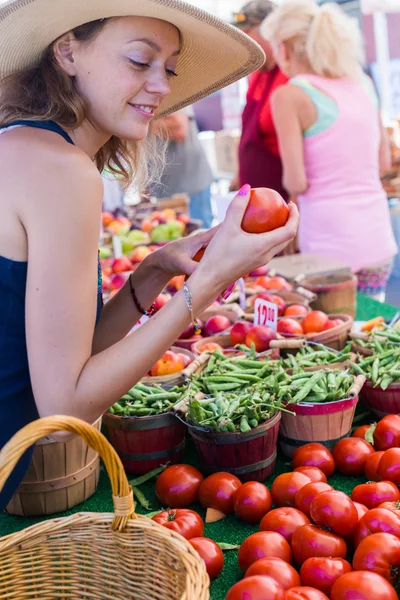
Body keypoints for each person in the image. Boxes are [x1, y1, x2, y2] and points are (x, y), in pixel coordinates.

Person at [0, 0, 298, 510]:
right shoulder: (62, 171)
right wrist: (202, 291)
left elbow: (62, 353)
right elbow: (65, 406)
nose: (162, 87)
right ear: (67, 51)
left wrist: (154, 271)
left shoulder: (21, 146)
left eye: (171, 68)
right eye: (140, 62)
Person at [262, 0, 397, 301]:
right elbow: (383, 161)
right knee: (373, 332)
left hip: (327, 245)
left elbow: (296, 183)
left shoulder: (289, 95)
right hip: (378, 239)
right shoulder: (363, 84)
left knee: (331, 337)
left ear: (283, 48)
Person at [230, 0, 289, 200]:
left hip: (282, 197)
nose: (242, 44)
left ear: (269, 31)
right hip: (256, 196)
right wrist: (240, 172)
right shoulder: (255, 76)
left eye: (247, 34)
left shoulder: (290, 77)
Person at [149, 106, 214, 228]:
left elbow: (179, 129)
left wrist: (147, 123)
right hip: (164, 188)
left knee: (202, 236)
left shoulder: (174, 92)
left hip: (191, 185)